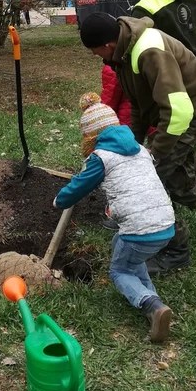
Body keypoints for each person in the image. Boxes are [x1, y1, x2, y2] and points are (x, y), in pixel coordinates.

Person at [78, 12, 196, 272]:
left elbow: (179, 111)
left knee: (152, 180)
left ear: (107, 45)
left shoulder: (148, 51)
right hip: (177, 114)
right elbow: (140, 106)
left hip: (194, 114)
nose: (97, 57)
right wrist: (132, 146)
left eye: (95, 52)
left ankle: (176, 250)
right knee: (184, 187)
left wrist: (152, 157)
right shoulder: (124, 54)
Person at [53, 92, 175, 343]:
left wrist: (60, 200)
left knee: (119, 270)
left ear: (91, 137)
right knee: (124, 250)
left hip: (141, 230)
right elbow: (137, 184)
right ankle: (153, 301)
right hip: (166, 222)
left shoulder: (101, 157)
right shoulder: (140, 149)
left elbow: (80, 186)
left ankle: (150, 306)